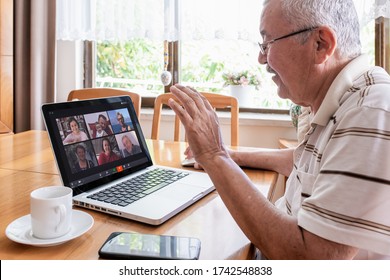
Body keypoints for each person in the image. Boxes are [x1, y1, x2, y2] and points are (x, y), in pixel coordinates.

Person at [167, 0, 390, 259]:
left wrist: (215, 156)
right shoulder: (345, 98)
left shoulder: (370, 110)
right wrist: (230, 155)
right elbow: (305, 162)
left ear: (321, 44)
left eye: (268, 43)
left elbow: (310, 258)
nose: (261, 58)